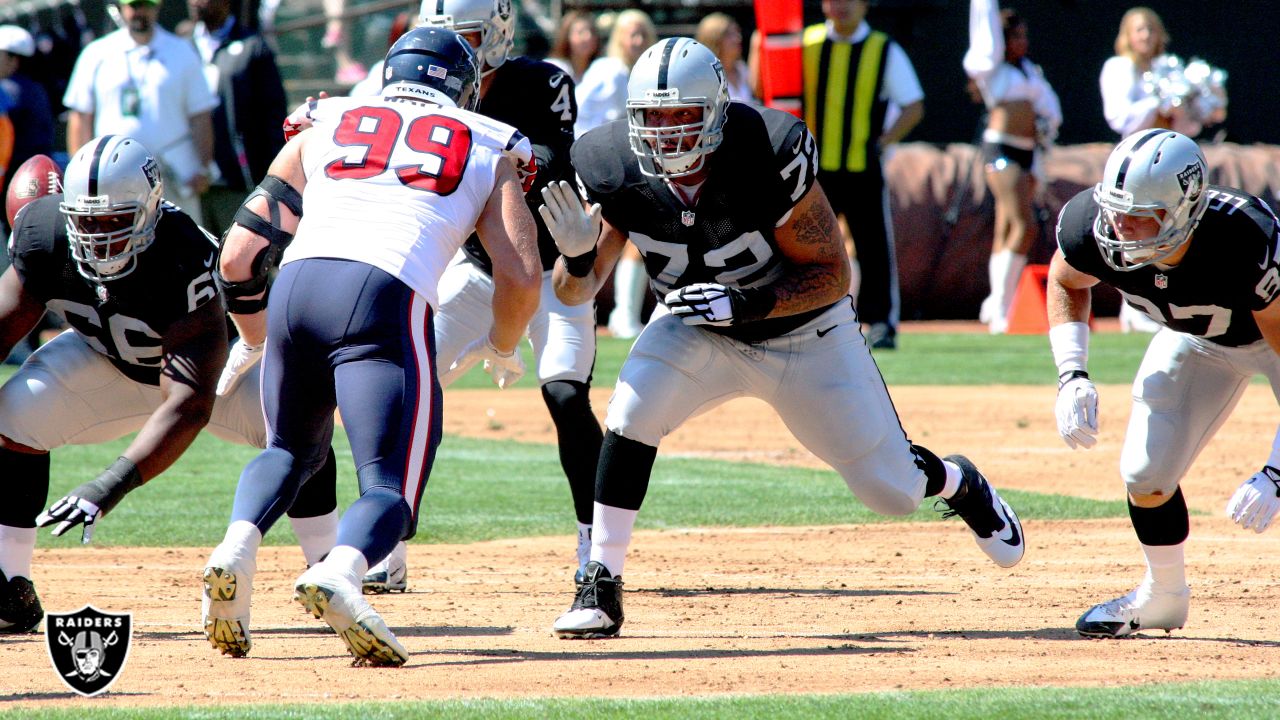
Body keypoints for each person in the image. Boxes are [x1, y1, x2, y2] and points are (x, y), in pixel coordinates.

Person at [540, 38, 1024, 639]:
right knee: (630, 410)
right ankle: (601, 582)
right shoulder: (613, 164)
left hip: (804, 333)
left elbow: (831, 273)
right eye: (653, 117)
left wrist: (746, 302)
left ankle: (955, 480)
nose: (667, 133)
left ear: (716, 110)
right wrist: (579, 257)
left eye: (682, 115)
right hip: (697, 327)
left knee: (892, 492)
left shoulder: (766, 151)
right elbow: (570, 294)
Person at [199, 26, 541, 666]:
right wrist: (501, 342)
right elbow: (521, 274)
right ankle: (342, 571)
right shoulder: (488, 141)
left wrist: (253, 338)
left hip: (298, 286)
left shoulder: (326, 118)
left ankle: (235, 548)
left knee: (289, 451)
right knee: (389, 486)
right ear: (464, 86)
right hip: (385, 292)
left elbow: (240, 253)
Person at [0, 138, 337, 635]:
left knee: (297, 419)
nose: (98, 236)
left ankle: (327, 567)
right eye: (85, 221)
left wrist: (108, 485)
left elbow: (188, 404)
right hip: (105, 363)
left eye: (114, 220)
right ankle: (9, 587)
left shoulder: (183, 254)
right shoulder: (43, 231)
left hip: (210, 378)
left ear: (151, 209)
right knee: (12, 415)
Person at [349, 0, 601, 593]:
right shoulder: (413, 89)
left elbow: (540, 162)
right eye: (437, 36)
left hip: (547, 272)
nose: (449, 52)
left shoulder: (541, 83)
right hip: (476, 270)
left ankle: (598, 549)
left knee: (566, 394)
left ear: (496, 33)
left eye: (461, 35)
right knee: (405, 388)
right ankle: (387, 546)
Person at [1048, 129, 1280, 638]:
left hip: (1273, 341)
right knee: (1144, 474)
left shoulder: (1242, 239)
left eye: (1141, 216)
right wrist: (1072, 374)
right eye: (1116, 210)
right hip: (1199, 341)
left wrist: (1276, 472)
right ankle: (1163, 597)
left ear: (1186, 210)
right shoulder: (1094, 225)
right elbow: (1066, 279)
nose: (1121, 228)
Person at [801, 0, 924, 350]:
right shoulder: (804, 43)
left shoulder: (883, 49)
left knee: (873, 248)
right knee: (804, 247)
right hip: (811, 172)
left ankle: (881, 322)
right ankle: (801, 318)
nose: (840, 6)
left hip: (862, 169)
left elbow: (914, 105)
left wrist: (884, 142)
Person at [63, 0, 218, 223]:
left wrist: (203, 168)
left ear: (157, 7)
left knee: (183, 245)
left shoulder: (182, 51)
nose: (139, 12)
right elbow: (80, 118)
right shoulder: (96, 54)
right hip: (113, 179)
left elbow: (201, 116)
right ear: (122, 8)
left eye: (146, 5)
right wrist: (80, 178)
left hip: (174, 175)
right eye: (134, 6)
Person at [963, 0, 1060, 335]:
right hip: (1001, 150)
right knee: (1024, 226)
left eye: (1024, 35)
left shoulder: (1029, 69)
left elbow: (1049, 109)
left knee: (1007, 229)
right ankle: (1003, 308)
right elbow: (984, 36)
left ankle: (994, 304)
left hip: (1028, 153)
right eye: (1014, 36)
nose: (1021, 42)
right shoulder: (993, 71)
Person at [1099, 7, 1187, 334]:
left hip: (1171, 165)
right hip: (1136, 164)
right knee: (1133, 232)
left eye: (1151, 29)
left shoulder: (1169, 68)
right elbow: (1120, 119)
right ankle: (1132, 306)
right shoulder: (1119, 68)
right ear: (1127, 35)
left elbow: (1189, 123)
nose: (1146, 36)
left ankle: (1162, 305)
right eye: (1139, 30)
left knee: (1170, 231)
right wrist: (1156, 101)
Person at [574, 8, 655, 340]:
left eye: (642, 34)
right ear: (618, 38)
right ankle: (584, 317)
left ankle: (624, 315)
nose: (636, 40)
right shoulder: (609, 70)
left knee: (636, 238)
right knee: (587, 244)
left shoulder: (643, 74)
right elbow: (579, 116)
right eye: (630, 33)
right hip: (600, 171)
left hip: (628, 170)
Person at [186, 0, 288, 237]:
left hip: (237, 182)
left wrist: (273, 179)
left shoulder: (253, 46)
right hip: (187, 182)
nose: (195, 2)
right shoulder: (180, 48)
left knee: (241, 264)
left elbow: (274, 116)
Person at [0, 25, 55, 229]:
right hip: (35, 189)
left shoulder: (8, 92)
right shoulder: (37, 89)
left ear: (14, 60)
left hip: (13, 189)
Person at [695, 12, 755, 104]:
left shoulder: (742, 69)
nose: (738, 38)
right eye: (729, 34)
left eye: (737, 32)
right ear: (714, 40)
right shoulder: (704, 78)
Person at [545, 10, 599, 85]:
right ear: (567, 37)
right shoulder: (554, 69)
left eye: (592, 32)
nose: (588, 37)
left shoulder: (600, 71)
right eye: (581, 32)